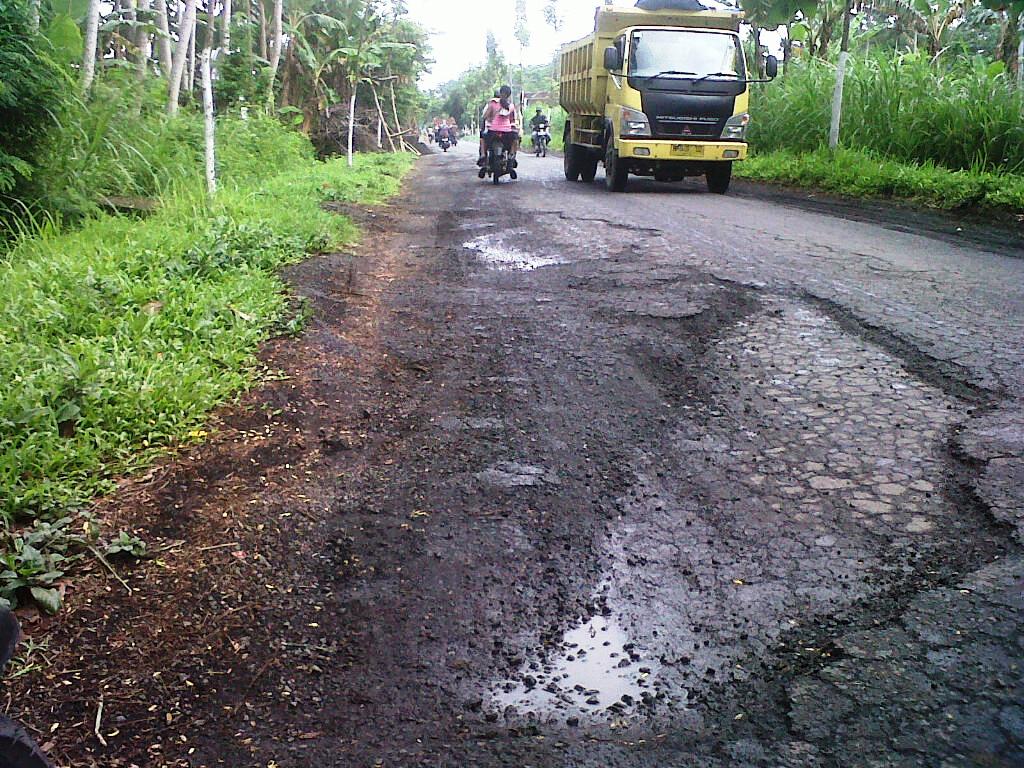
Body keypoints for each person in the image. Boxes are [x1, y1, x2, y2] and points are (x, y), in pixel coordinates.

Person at [477, 85, 519, 179]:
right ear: (509, 95)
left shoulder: (492, 104)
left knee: (483, 138)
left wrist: (484, 124)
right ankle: (512, 155)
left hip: (493, 132)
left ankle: (483, 155)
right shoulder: (511, 106)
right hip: (507, 133)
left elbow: (485, 116)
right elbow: (513, 120)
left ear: (500, 94)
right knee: (515, 139)